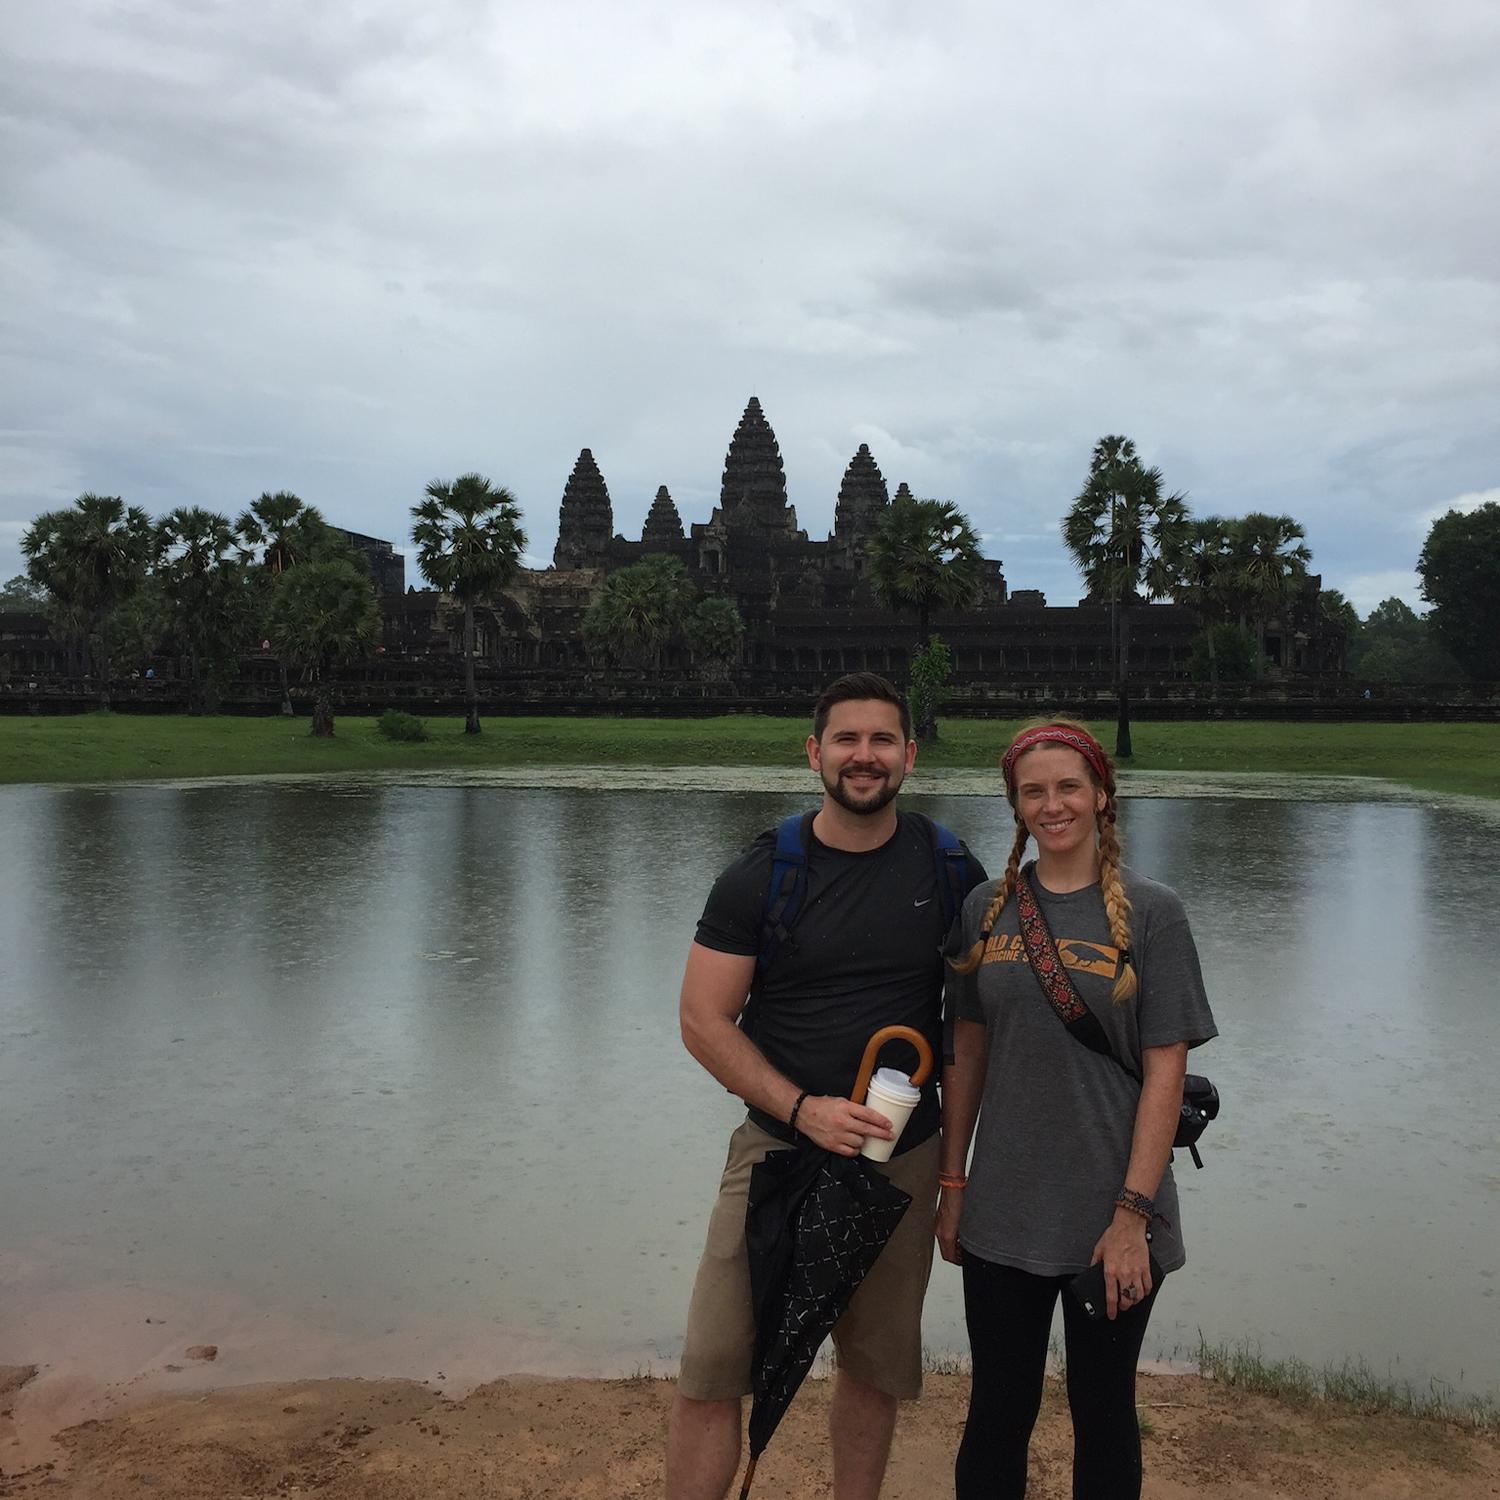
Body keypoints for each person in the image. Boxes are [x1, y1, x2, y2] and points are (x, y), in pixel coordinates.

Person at [666, 673, 987, 1500]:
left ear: (910, 756)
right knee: (712, 1366)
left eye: (882, 740)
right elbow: (704, 1021)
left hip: (901, 1158)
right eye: (846, 739)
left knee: (874, 1367)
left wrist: (953, 1178)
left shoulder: (951, 870)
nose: (864, 757)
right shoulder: (762, 874)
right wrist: (801, 1109)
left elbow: (966, 1038)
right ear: (815, 753)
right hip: (777, 1149)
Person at [937, 718, 1217, 1500]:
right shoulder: (986, 910)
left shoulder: (1156, 913)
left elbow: (1167, 1071)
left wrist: (1132, 1217)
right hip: (1002, 1208)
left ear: (1101, 795)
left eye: (1068, 787)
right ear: (1015, 805)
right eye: (1033, 791)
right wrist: (952, 1186)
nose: (1052, 804)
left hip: (1114, 1215)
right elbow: (966, 1056)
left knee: (1103, 1410)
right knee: (997, 1410)